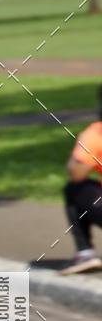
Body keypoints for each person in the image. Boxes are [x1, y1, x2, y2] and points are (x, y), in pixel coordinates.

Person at [61, 86, 102, 275]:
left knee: (74, 189)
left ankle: (86, 253)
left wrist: (83, 145)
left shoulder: (96, 134)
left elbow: (76, 173)